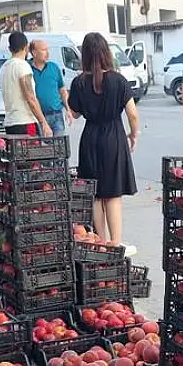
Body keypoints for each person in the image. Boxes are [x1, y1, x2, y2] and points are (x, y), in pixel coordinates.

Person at [68, 32, 139, 257]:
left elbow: (76, 114)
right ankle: (115, 244)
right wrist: (133, 135)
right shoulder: (118, 80)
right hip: (114, 137)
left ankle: (99, 241)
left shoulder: (78, 82)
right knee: (113, 193)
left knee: (95, 194)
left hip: (90, 138)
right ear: (106, 52)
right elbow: (133, 114)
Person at [0, 31, 50, 136]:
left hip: (10, 123)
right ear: (26, 48)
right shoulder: (22, 66)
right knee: (31, 151)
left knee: (16, 152)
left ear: (10, 49)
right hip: (26, 122)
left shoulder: (3, 68)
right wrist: (43, 122)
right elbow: (30, 97)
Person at [29, 39, 72, 136]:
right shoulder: (28, 70)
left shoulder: (54, 67)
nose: (47, 53)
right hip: (37, 118)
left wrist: (68, 109)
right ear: (34, 53)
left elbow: (62, 90)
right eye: (44, 50)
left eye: (47, 49)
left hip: (56, 115)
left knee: (59, 147)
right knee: (42, 149)